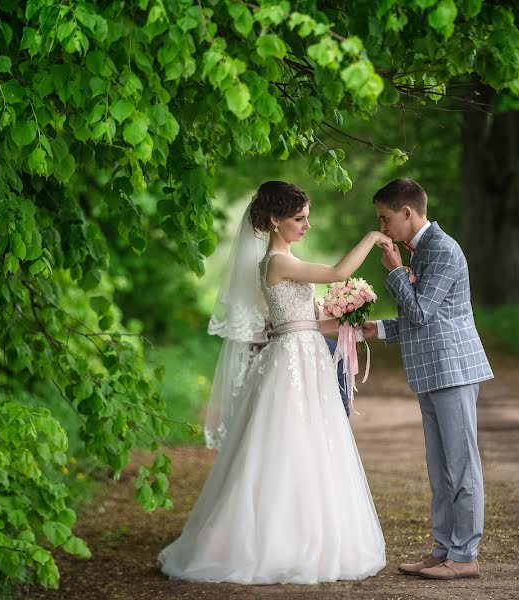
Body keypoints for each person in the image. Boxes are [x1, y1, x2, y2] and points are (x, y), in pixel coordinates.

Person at [160, 181, 389, 584]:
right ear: (274, 221)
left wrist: (351, 323)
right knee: (284, 445)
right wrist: (372, 237)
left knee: (311, 446)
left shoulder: (289, 259)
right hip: (290, 361)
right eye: (299, 218)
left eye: (307, 217)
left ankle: (305, 534)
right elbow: (337, 272)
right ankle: (271, 540)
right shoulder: (276, 263)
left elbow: (308, 317)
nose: (307, 225)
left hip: (307, 352)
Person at [363, 178, 493, 580]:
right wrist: (379, 330)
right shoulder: (421, 250)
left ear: (407, 212)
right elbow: (420, 319)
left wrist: (396, 272)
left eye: (386, 219)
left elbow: (419, 312)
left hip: (452, 369)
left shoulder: (442, 249)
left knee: (461, 464)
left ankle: (465, 555)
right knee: (439, 466)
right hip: (430, 371)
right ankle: (443, 549)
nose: (383, 229)